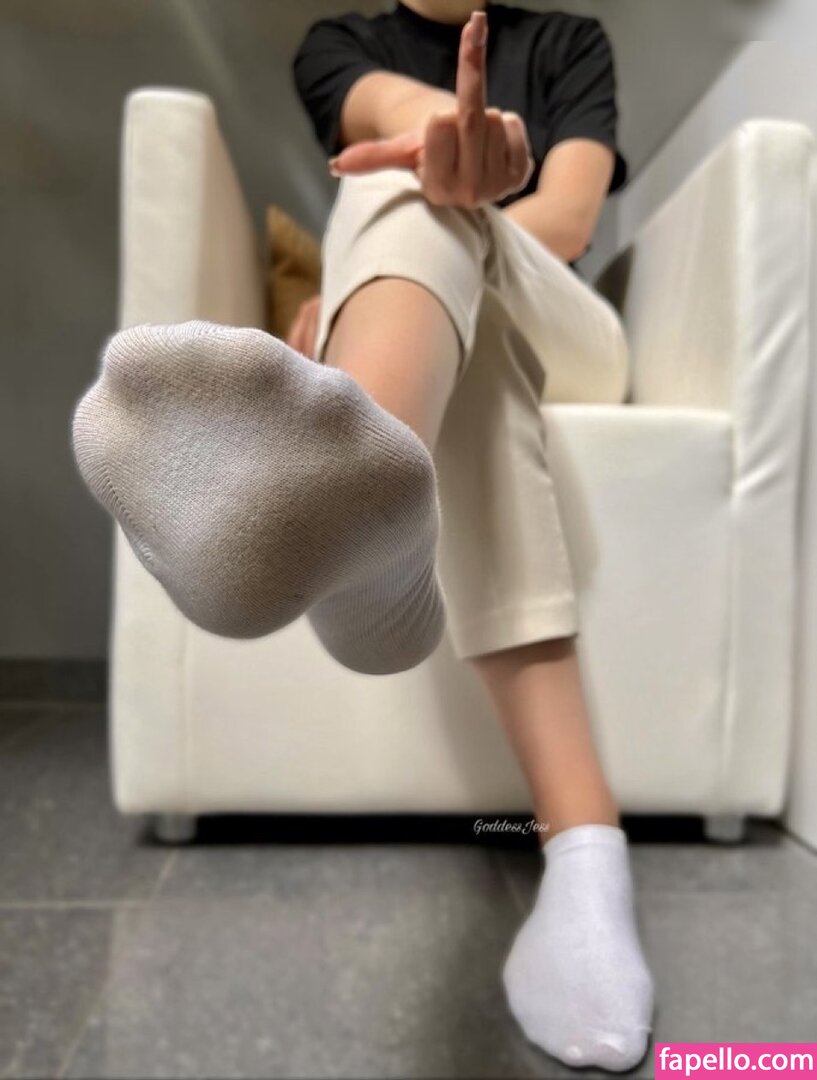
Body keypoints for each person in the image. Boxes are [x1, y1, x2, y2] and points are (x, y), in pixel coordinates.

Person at [71, 1, 654, 1072]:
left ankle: (365, 451)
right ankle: (584, 852)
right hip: (456, 333)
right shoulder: (338, 44)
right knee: (410, 184)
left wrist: (473, 172)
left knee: (410, 191)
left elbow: (570, 218)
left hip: (568, 330)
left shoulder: (568, 42)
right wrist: (441, 138)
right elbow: (393, 109)